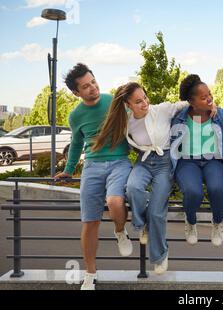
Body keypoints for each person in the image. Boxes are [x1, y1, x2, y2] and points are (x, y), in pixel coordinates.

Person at [93, 82, 216, 275]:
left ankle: (160, 255)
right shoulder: (125, 120)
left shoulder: (162, 110)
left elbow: (185, 104)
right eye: (138, 101)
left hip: (165, 162)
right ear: (128, 104)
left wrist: (211, 105)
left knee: (157, 211)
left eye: (145, 98)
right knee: (133, 188)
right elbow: (108, 134)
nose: (145, 103)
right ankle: (141, 225)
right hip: (143, 162)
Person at [55, 63, 133, 290]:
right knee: (89, 222)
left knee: (115, 201)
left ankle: (120, 231)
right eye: (86, 87)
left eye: (93, 82)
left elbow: (137, 118)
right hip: (92, 167)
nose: (93, 88)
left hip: (120, 162)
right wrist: (69, 170)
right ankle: (90, 273)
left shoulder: (113, 101)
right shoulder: (75, 115)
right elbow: (77, 143)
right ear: (76, 92)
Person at [170, 75, 223, 247]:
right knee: (193, 191)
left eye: (209, 94)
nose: (209, 98)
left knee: (217, 188)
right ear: (192, 102)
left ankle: (217, 223)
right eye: (204, 97)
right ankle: (191, 222)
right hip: (187, 162)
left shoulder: (219, 114)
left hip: (214, 161)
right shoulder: (179, 117)